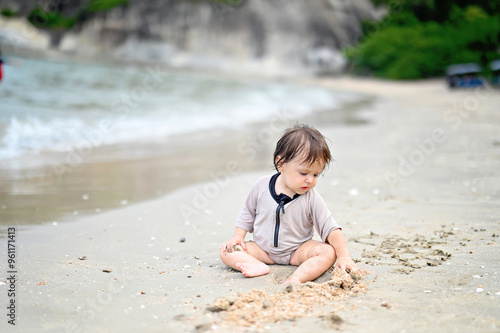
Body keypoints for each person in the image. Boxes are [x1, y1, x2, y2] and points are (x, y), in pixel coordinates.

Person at [220, 124, 360, 284]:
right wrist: (238, 237)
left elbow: (331, 228)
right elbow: (247, 212)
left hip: (298, 251)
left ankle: (297, 278)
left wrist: (344, 256)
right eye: (304, 173)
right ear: (280, 164)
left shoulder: (311, 197)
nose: (310, 180)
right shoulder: (261, 186)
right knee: (227, 250)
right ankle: (256, 265)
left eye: (316, 174)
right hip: (262, 250)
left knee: (328, 252)